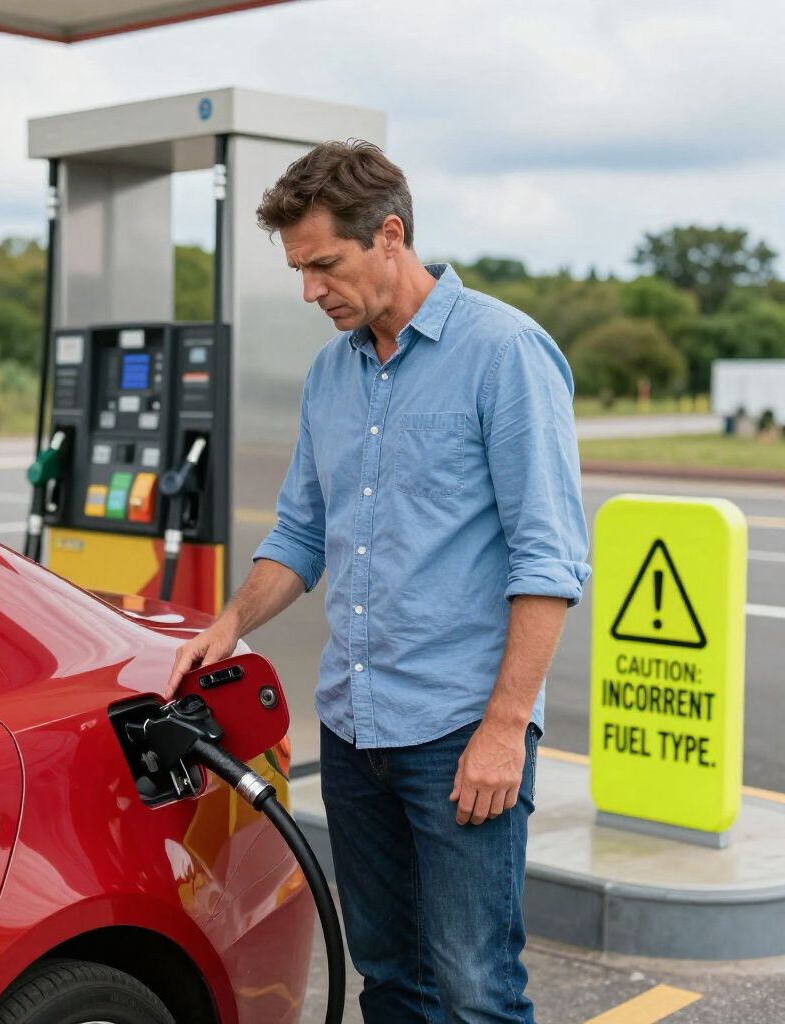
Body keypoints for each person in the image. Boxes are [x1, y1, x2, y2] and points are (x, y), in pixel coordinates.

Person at [165, 140, 591, 1023]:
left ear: (389, 235)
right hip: (356, 737)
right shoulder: (331, 373)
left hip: (458, 735)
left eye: (324, 264)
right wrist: (229, 624)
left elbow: (548, 560)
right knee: (391, 979)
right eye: (299, 270)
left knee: (477, 988)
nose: (311, 291)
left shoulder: (505, 353)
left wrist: (504, 731)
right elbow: (299, 534)